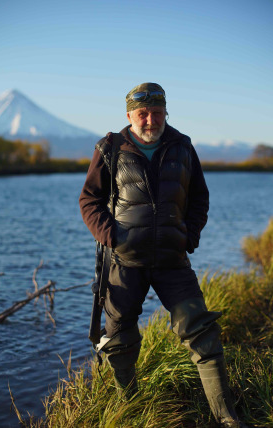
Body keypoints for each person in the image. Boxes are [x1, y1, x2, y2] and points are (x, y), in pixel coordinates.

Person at [79, 83, 248, 428]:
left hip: (173, 260)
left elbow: (199, 197)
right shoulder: (110, 147)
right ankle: (131, 409)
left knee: (202, 332)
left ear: (165, 113)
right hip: (125, 262)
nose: (150, 119)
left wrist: (190, 234)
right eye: (142, 113)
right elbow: (89, 200)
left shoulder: (182, 146)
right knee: (119, 336)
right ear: (129, 115)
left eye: (157, 112)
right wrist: (110, 236)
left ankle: (226, 416)